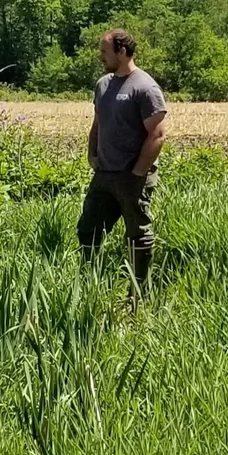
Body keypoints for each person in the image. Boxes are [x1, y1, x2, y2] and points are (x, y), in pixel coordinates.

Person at [77, 29, 168, 286]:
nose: (100, 57)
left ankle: (137, 293)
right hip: (104, 174)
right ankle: (91, 285)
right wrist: (92, 153)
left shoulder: (145, 87)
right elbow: (97, 122)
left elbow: (158, 135)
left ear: (122, 51)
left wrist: (138, 172)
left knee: (137, 236)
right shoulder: (103, 84)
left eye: (104, 52)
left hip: (132, 177)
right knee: (88, 230)